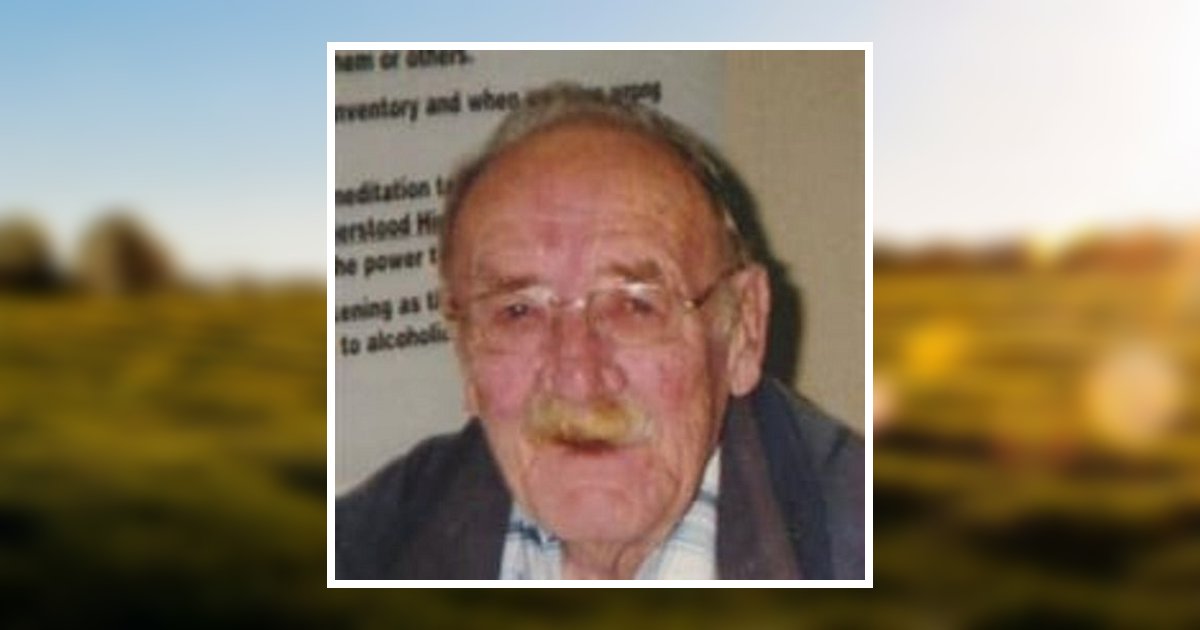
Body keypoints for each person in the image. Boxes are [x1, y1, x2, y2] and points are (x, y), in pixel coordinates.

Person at [336, 83, 864, 580]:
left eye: (635, 306)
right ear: (466, 354)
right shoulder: (361, 546)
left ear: (743, 330)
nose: (578, 378)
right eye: (518, 311)